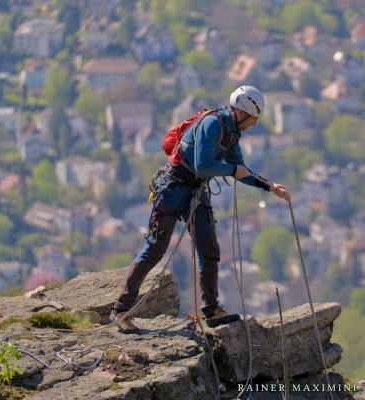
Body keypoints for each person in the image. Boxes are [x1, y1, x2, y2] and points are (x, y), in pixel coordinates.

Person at [110, 86, 291, 332]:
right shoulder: (212, 124)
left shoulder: (231, 133)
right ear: (241, 112)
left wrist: (270, 187)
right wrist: (232, 171)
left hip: (195, 191)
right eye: (253, 119)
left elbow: (241, 170)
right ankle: (120, 309)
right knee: (155, 249)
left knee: (209, 249)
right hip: (173, 188)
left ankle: (211, 310)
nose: (254, 125)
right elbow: (203, 164)